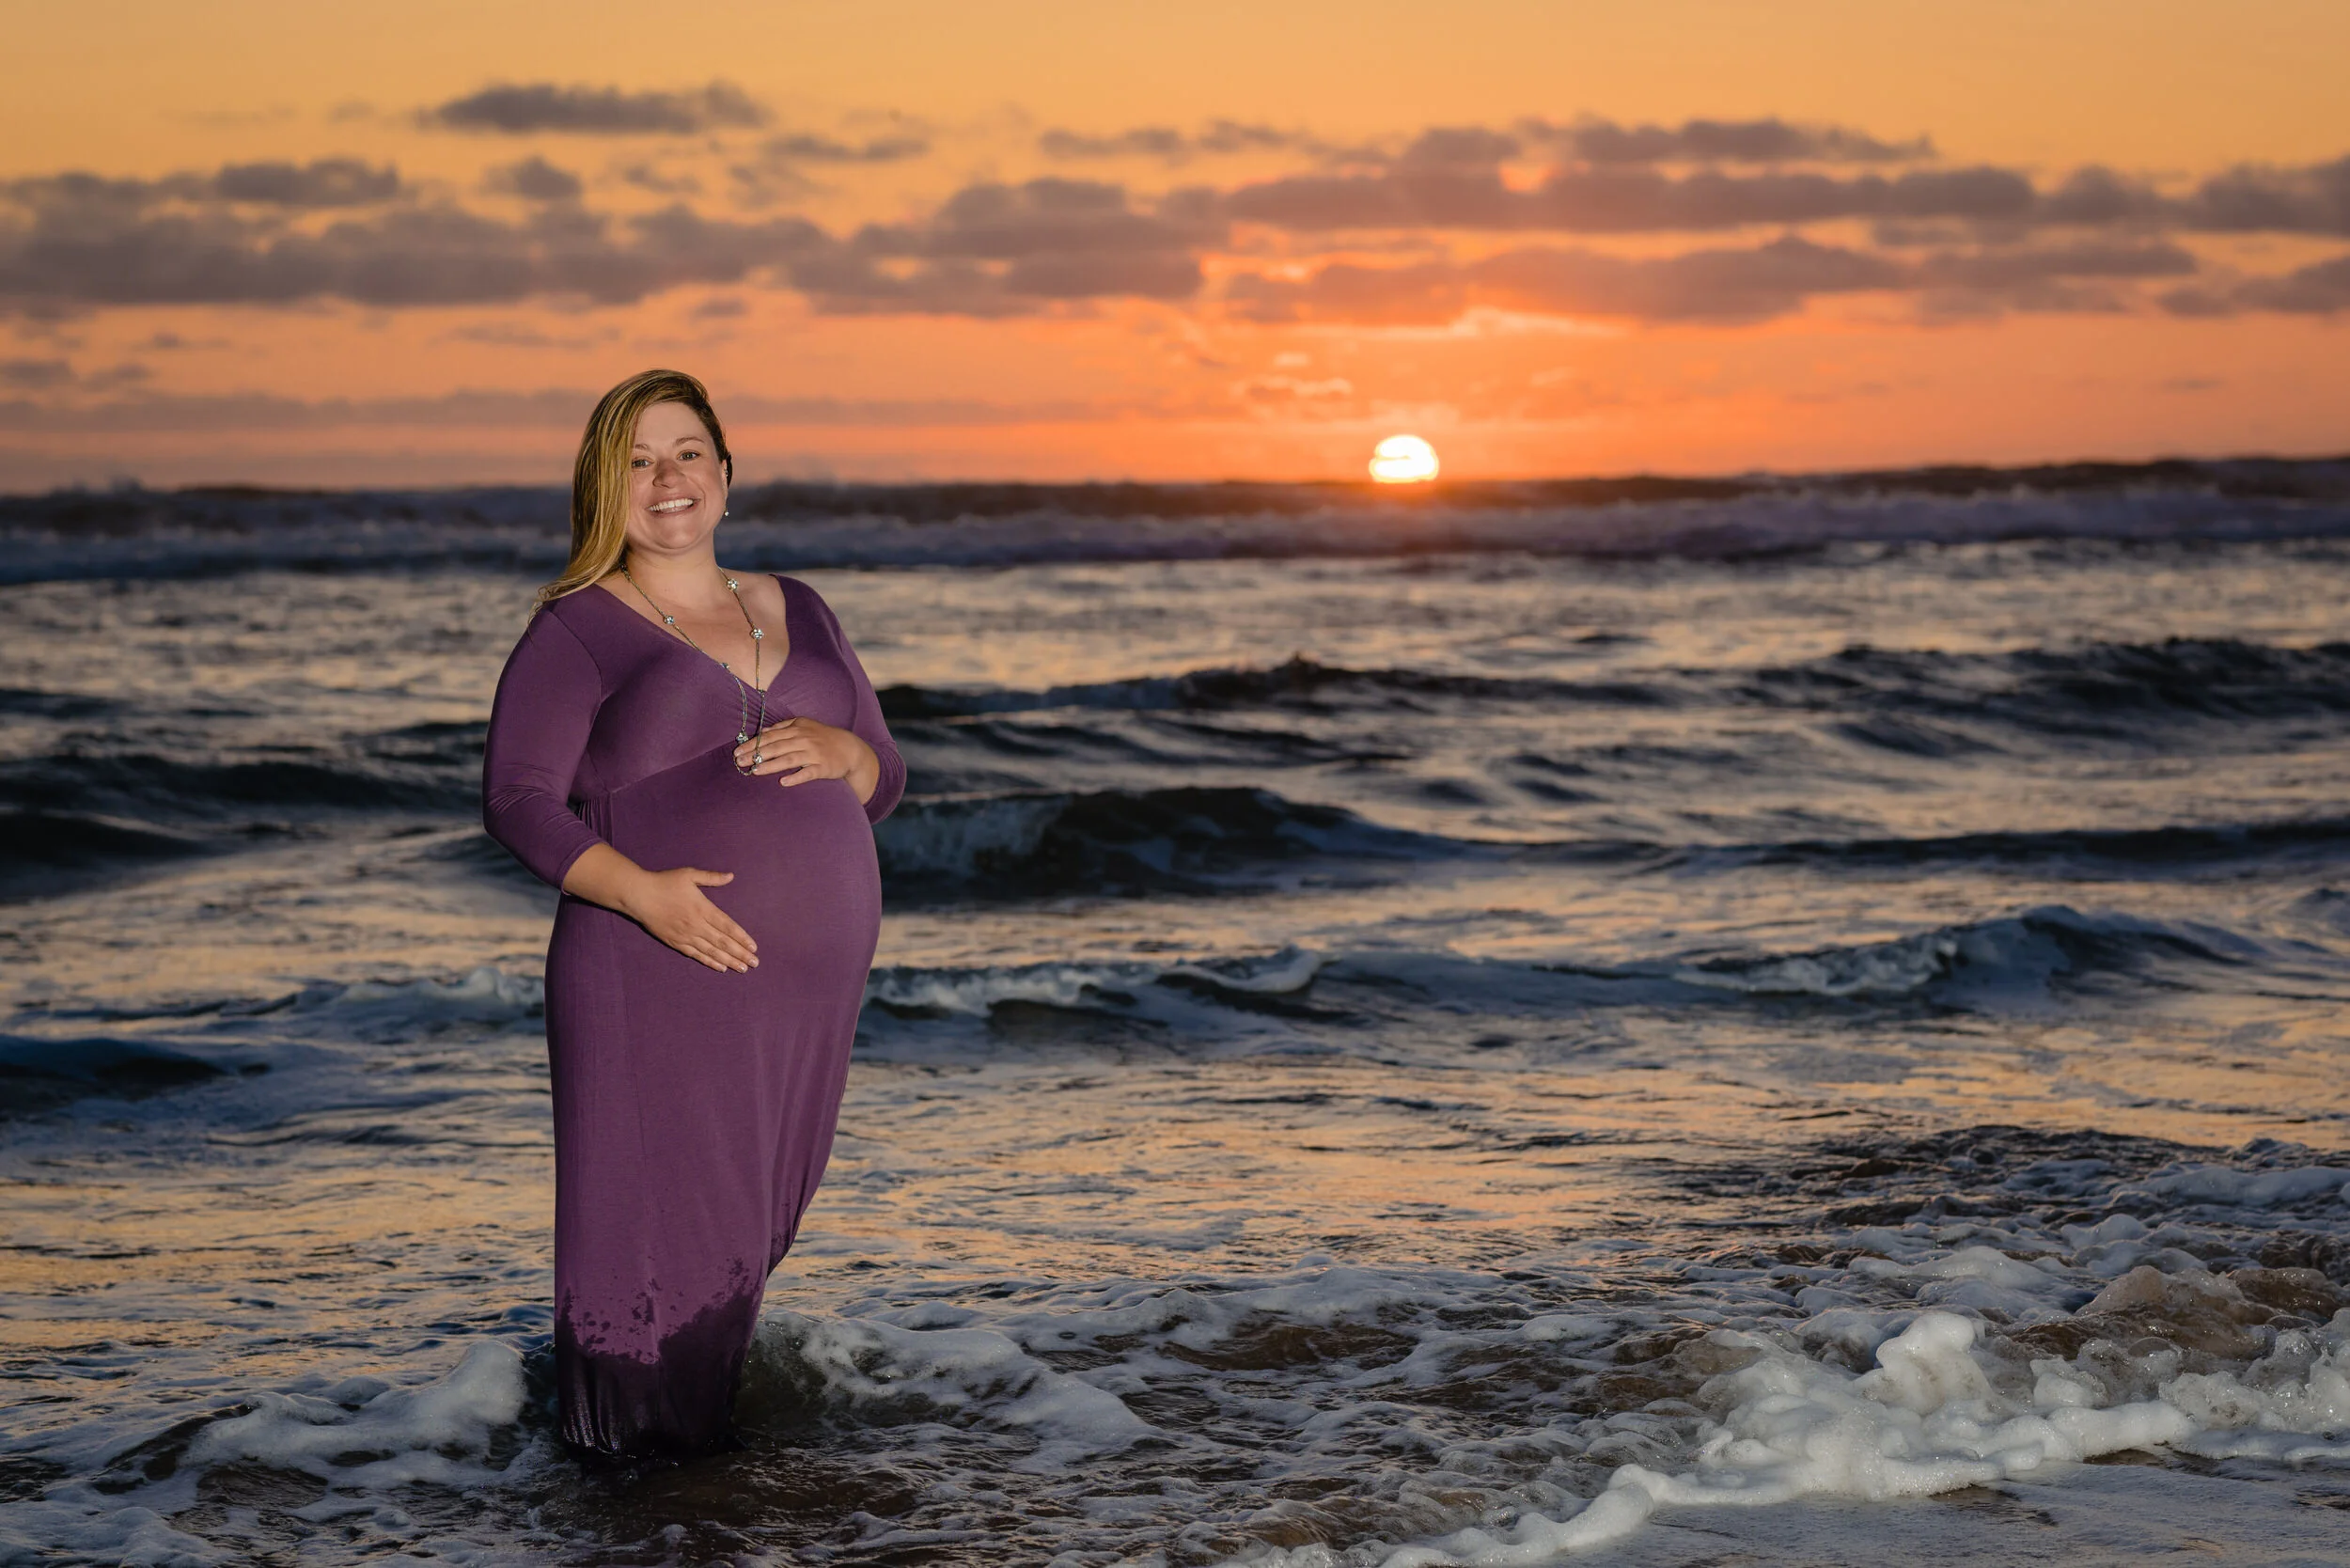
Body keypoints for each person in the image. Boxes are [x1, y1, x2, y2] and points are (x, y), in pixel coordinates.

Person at [480, 368, 904, 1454]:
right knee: (647, 1249)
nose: (666, 479)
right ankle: (622, 1478)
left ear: (724, 470)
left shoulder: (799, 605)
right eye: (635, 461)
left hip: (798, 997)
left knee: (733, 1248)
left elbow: (886, 778)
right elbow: (516, 799)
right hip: (648, 971)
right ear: (601, 489)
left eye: (686, 453)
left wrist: (850, 751)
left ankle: (687, 1483)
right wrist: (647, 897)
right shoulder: (578, 629)